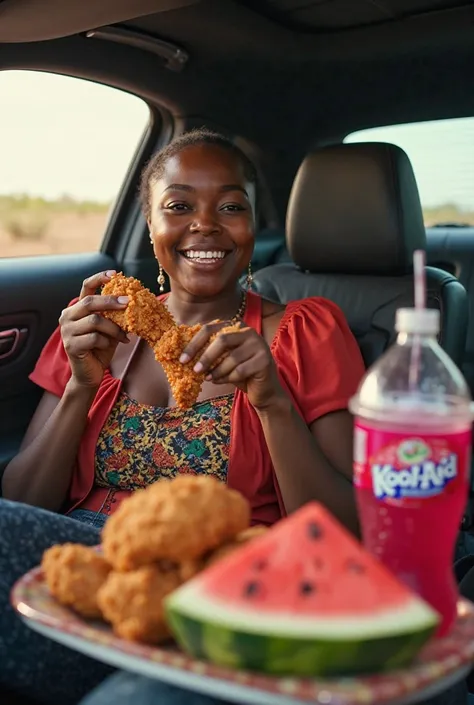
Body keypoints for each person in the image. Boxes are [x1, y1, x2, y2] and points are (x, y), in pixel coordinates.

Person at [0, 128, 465, 705]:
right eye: (178, 206)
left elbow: (348, 533)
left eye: (230, 206)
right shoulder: (93, 326)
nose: (205, 224)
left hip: (230, 585)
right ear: (150, 224)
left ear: (252, 228)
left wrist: (272, 400)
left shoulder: (305, 333)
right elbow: (21, 503)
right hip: (88, 567)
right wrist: (79, 387)